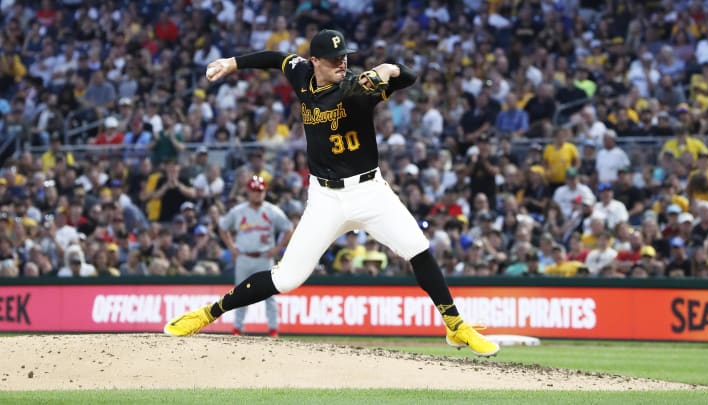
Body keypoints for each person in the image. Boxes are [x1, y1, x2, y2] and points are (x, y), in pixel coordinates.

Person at [164, 29, 500, 356]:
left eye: (344, 57)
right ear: (315, 62)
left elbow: (407, 77)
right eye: (333, 59)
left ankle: (455, 325)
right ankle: (209, 313)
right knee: (286, 278)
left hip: (368, 190)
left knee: (418, 248)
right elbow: (276, 58)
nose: (342, 63)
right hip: (325, 197)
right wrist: (232, 63)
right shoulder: (302, 75)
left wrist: (389, 69)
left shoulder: (356, 88)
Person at [219, 175, 293, 337]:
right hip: (244, 257)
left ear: (264, 191)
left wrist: (278, 248)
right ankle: (237, 328)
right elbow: (223, 227)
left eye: (260, 191)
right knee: (238, 294)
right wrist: (231, 247)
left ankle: (273, 329)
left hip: (264, 257)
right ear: (248, 191)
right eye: (254, 191)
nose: (257, 194)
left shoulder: (271, 211)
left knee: (269, 294)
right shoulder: (238, 211)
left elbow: (288, 228)